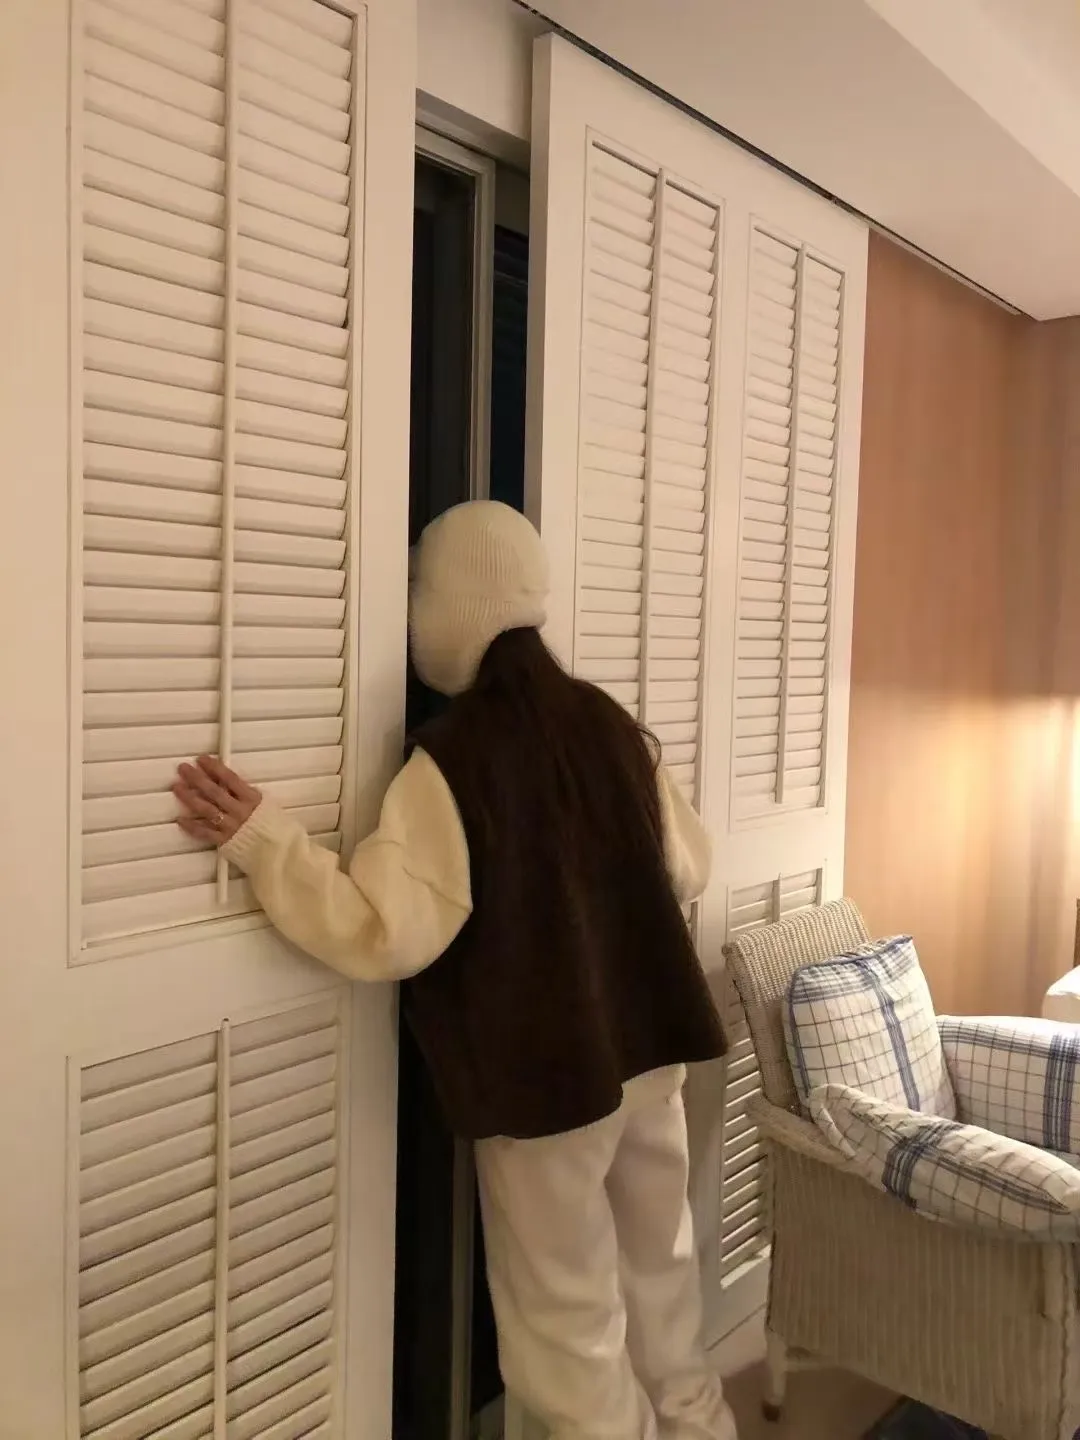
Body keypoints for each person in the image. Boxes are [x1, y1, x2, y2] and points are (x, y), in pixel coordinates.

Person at [174, 501, 737, 1440]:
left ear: (448, 610)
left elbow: (386, 933)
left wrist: (266, 842)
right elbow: (692, 866)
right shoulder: (607, 724)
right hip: (653, 1058)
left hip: (549, 1086)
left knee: (568, 1334)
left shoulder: (453, 760)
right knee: (663, 1284)